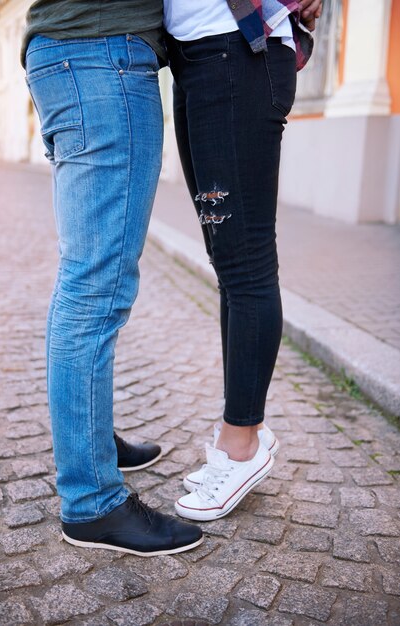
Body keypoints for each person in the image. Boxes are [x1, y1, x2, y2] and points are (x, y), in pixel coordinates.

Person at [21, 0, 202, 555]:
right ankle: (92, 502)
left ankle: (89, 442)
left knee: (86, 277)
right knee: (94, 288)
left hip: (67, 55)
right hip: (102, 57)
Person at [163, 0, 321, 521]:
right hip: (197, 59)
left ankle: (241, 444)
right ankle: (243, 427)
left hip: (238, 54)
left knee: (247, 263)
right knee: (228, 263)